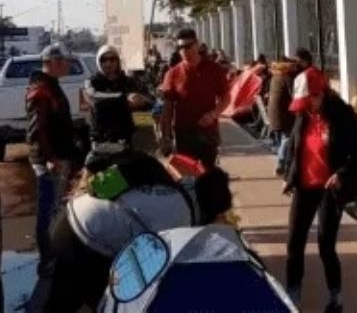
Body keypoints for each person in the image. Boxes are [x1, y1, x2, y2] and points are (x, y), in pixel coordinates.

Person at [26, 151, 233, 312]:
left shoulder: (176, 188)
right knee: (62, 303)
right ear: (211, 209)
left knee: (97, 302)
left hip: (77, 220)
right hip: (81, 240)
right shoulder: (181, 215)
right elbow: (154, 269)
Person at [282, 67, 357, 313]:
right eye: (302, 102)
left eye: (310, 101)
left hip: (329, 188)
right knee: (294, 241)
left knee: (325, 244)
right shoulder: (303, 114)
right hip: (304, 186)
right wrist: (289, 176)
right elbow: (295, 146)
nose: (307, 107)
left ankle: (335, 297)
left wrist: (342, 173)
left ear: (321, 93)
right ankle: (292, 293)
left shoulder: (343, 116)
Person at [26, 44, 76, 272]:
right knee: (47, 210)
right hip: (50, 160)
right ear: (54, 62)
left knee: (55, 207)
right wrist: (49, 157)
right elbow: (38, 129)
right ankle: (47, 259)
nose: (68, 65)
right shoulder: (41, 90)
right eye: (65, 61)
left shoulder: (51, 86)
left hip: (58, 156)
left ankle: (54, 254)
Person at [159, 29, 231, 169]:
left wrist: (213, 114)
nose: (184, 51)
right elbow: (167, 108)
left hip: (208, 133)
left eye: (188, 46)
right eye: (180, 47)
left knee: (207, 174)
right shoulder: (172, 74)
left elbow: (226, 97)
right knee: (187, 176)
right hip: (184, 134)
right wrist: (165, 136)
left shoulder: (214, 69)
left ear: (197, 45)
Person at [84, 45, 152, 153]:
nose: (108, 63)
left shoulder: (129, 81)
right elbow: (95, 99)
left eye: (112, 59)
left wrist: (141, 101)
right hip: (103, 141)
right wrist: (125, 99)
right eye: (104, 60)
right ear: (98, 61)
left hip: (128, 139)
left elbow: (149, 100)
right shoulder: (91, 82)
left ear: (118, 61)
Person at [267, 57, 298, 175]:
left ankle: (283, 162)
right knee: (287, 137)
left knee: (282, 139)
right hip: (284, 114)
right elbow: (293, 95)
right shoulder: (286, 77)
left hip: (274, 114)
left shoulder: (275, 76)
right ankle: (281, 163)